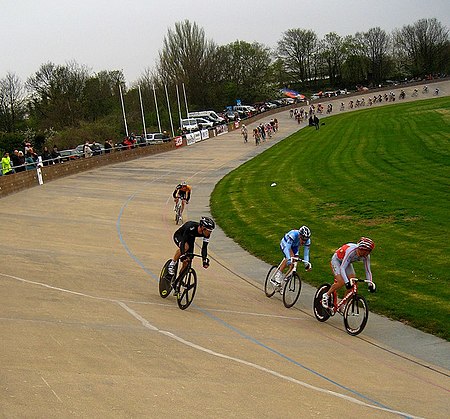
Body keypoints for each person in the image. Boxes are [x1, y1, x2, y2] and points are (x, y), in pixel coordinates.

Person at [322, 237, 375, 308]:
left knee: (352, 283)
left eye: (369, 251)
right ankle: (326, 295)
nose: (368, 253)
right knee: (341, 282)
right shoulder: (351, 251)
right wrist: (346, 282)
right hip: (337, 261)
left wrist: (370, 284)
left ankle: (342, 305)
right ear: (362, 249)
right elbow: (342, 268)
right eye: (367, 251)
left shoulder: (366, 256)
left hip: (347, 263)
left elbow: (368, 270)